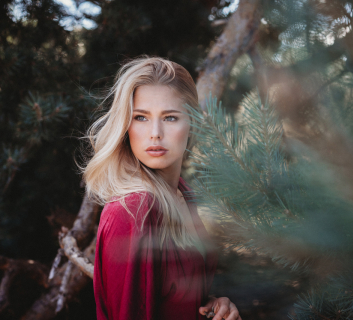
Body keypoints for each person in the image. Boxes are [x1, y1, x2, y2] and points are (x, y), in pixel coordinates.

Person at [81, 55, 242, 320]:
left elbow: (176, 299)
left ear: (192, 123)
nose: (155, 132)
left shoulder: (182, 194)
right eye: (141, 118)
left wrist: (215, 306)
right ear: (125, 126)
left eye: (169, 117)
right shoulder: (133, 210)